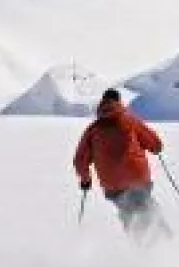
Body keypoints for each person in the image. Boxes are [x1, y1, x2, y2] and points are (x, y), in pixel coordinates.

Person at [74, 89, 172, 243]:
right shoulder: (130, 121)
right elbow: (154, 142)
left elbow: (80, 160)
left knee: (127, 212)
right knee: (148, 207)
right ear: (119, 101)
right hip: (137, 178)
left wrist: (85, 180)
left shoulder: (93, 130)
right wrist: (156, 148)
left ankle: (140, 248)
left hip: (113, 185)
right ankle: (166, 244)